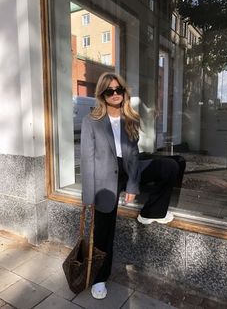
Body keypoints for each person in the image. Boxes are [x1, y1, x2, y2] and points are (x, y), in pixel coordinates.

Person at [80, 72, 185, 300]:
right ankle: (99, 277)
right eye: (110, 91)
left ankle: (151, 212)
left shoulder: (131, 118)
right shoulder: (91, 121)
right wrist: (89, 197)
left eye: (119, 90)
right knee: (103, 231)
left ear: (124, 92)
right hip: (105, 175)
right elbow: (87, 160)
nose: (115, 94)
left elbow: (134, 154)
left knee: (171, 166)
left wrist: (133, 185)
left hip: (128, 167)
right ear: (102, 94)